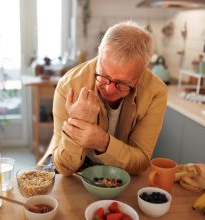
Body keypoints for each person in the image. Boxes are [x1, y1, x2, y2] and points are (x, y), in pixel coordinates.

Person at [44, 20, 168, 176]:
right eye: (103, 75)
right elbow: (64, 168)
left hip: (120, 171)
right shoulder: (68, 85)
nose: (109, 89)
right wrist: (78, 121)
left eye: (122, 83)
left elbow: (141, 162)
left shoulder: (156, 92)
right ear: (99, 53)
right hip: (75, 166)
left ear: (143, 71)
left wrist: (103, 142)